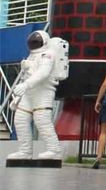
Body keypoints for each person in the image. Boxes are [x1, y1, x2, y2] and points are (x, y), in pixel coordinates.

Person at [5, 30, 65, 160]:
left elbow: (43, 73)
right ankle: (25, 151)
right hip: (28, 93)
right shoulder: (31, 56)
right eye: (32, 42)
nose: (34, 44)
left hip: (43, 92)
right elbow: (26, 75)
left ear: (45, 42)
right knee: (20, 120)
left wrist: (25, 85)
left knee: (42, 121)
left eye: (36, 42)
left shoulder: (47, 55)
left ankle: (54, 150)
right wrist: (18, 97)